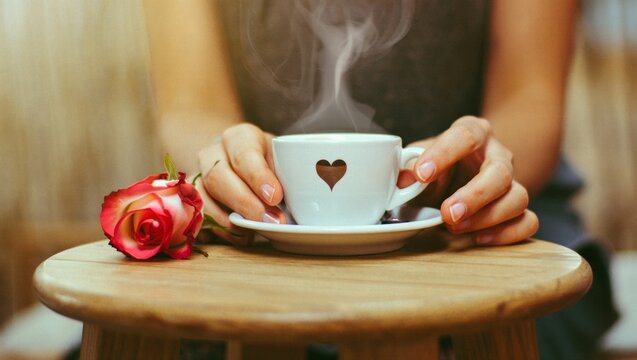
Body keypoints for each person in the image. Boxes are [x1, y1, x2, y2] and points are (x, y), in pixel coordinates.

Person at [142, 1, 618, 359]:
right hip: (254, 239)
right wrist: (225, 163)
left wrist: (462, 170)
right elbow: (190, 108)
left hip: (475, 230)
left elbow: (529, 100)